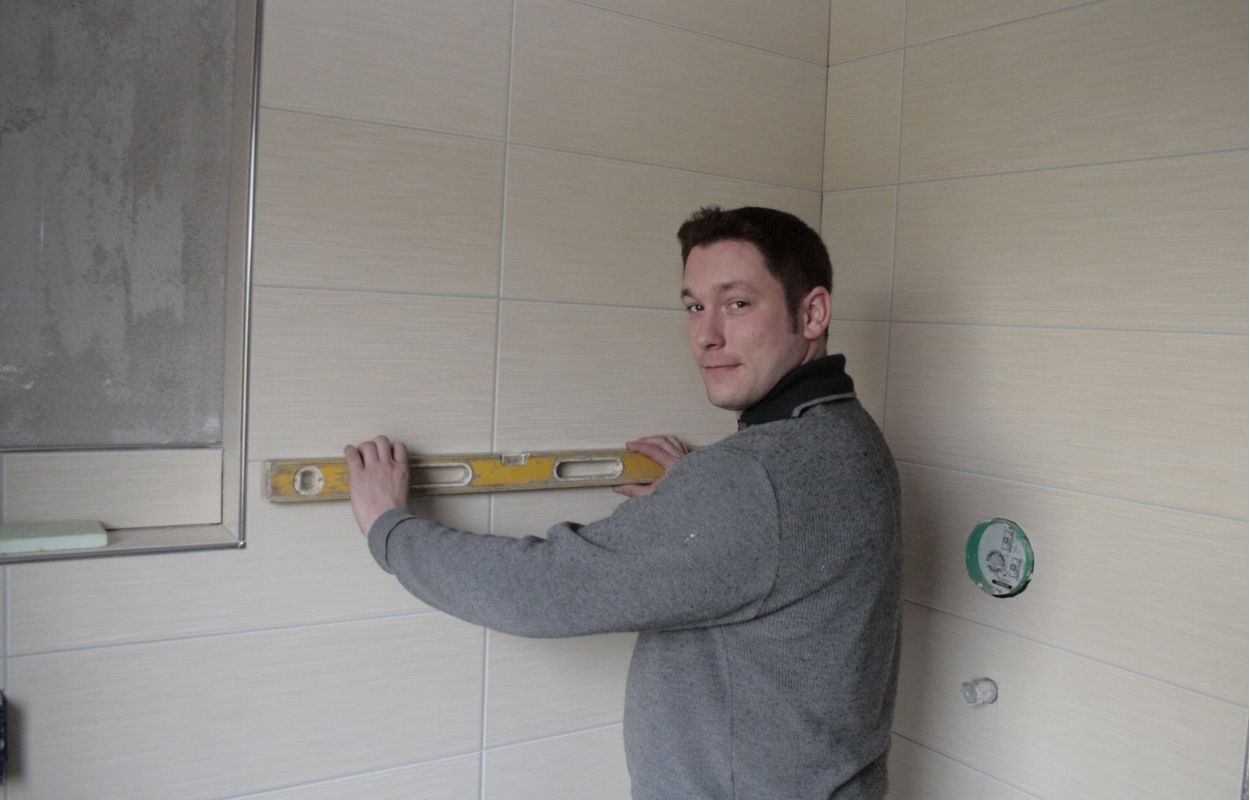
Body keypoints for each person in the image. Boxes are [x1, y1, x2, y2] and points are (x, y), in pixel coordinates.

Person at [346, 206, 902, 800]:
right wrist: (699, 496)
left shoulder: (755, 479)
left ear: (812, 314)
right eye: (694, 307)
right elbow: (786, 535)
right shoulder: (848, 435)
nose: (706, 335)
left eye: (737, 303)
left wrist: (391, 530)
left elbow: (545, 590)